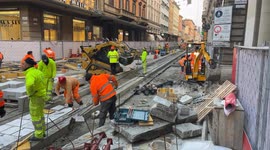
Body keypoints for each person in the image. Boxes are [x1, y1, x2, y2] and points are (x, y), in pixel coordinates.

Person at [21, 57, 47, 141]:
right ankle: (42, 132)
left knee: (35, 116)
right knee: (40, 115)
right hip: (41, 96)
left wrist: (31, 93)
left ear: (28, 65)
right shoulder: (38, 72)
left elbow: (29, 84)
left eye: (23, 64)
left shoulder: (30, 74)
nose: (21, 65)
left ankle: (38, 135)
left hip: (35, 97)